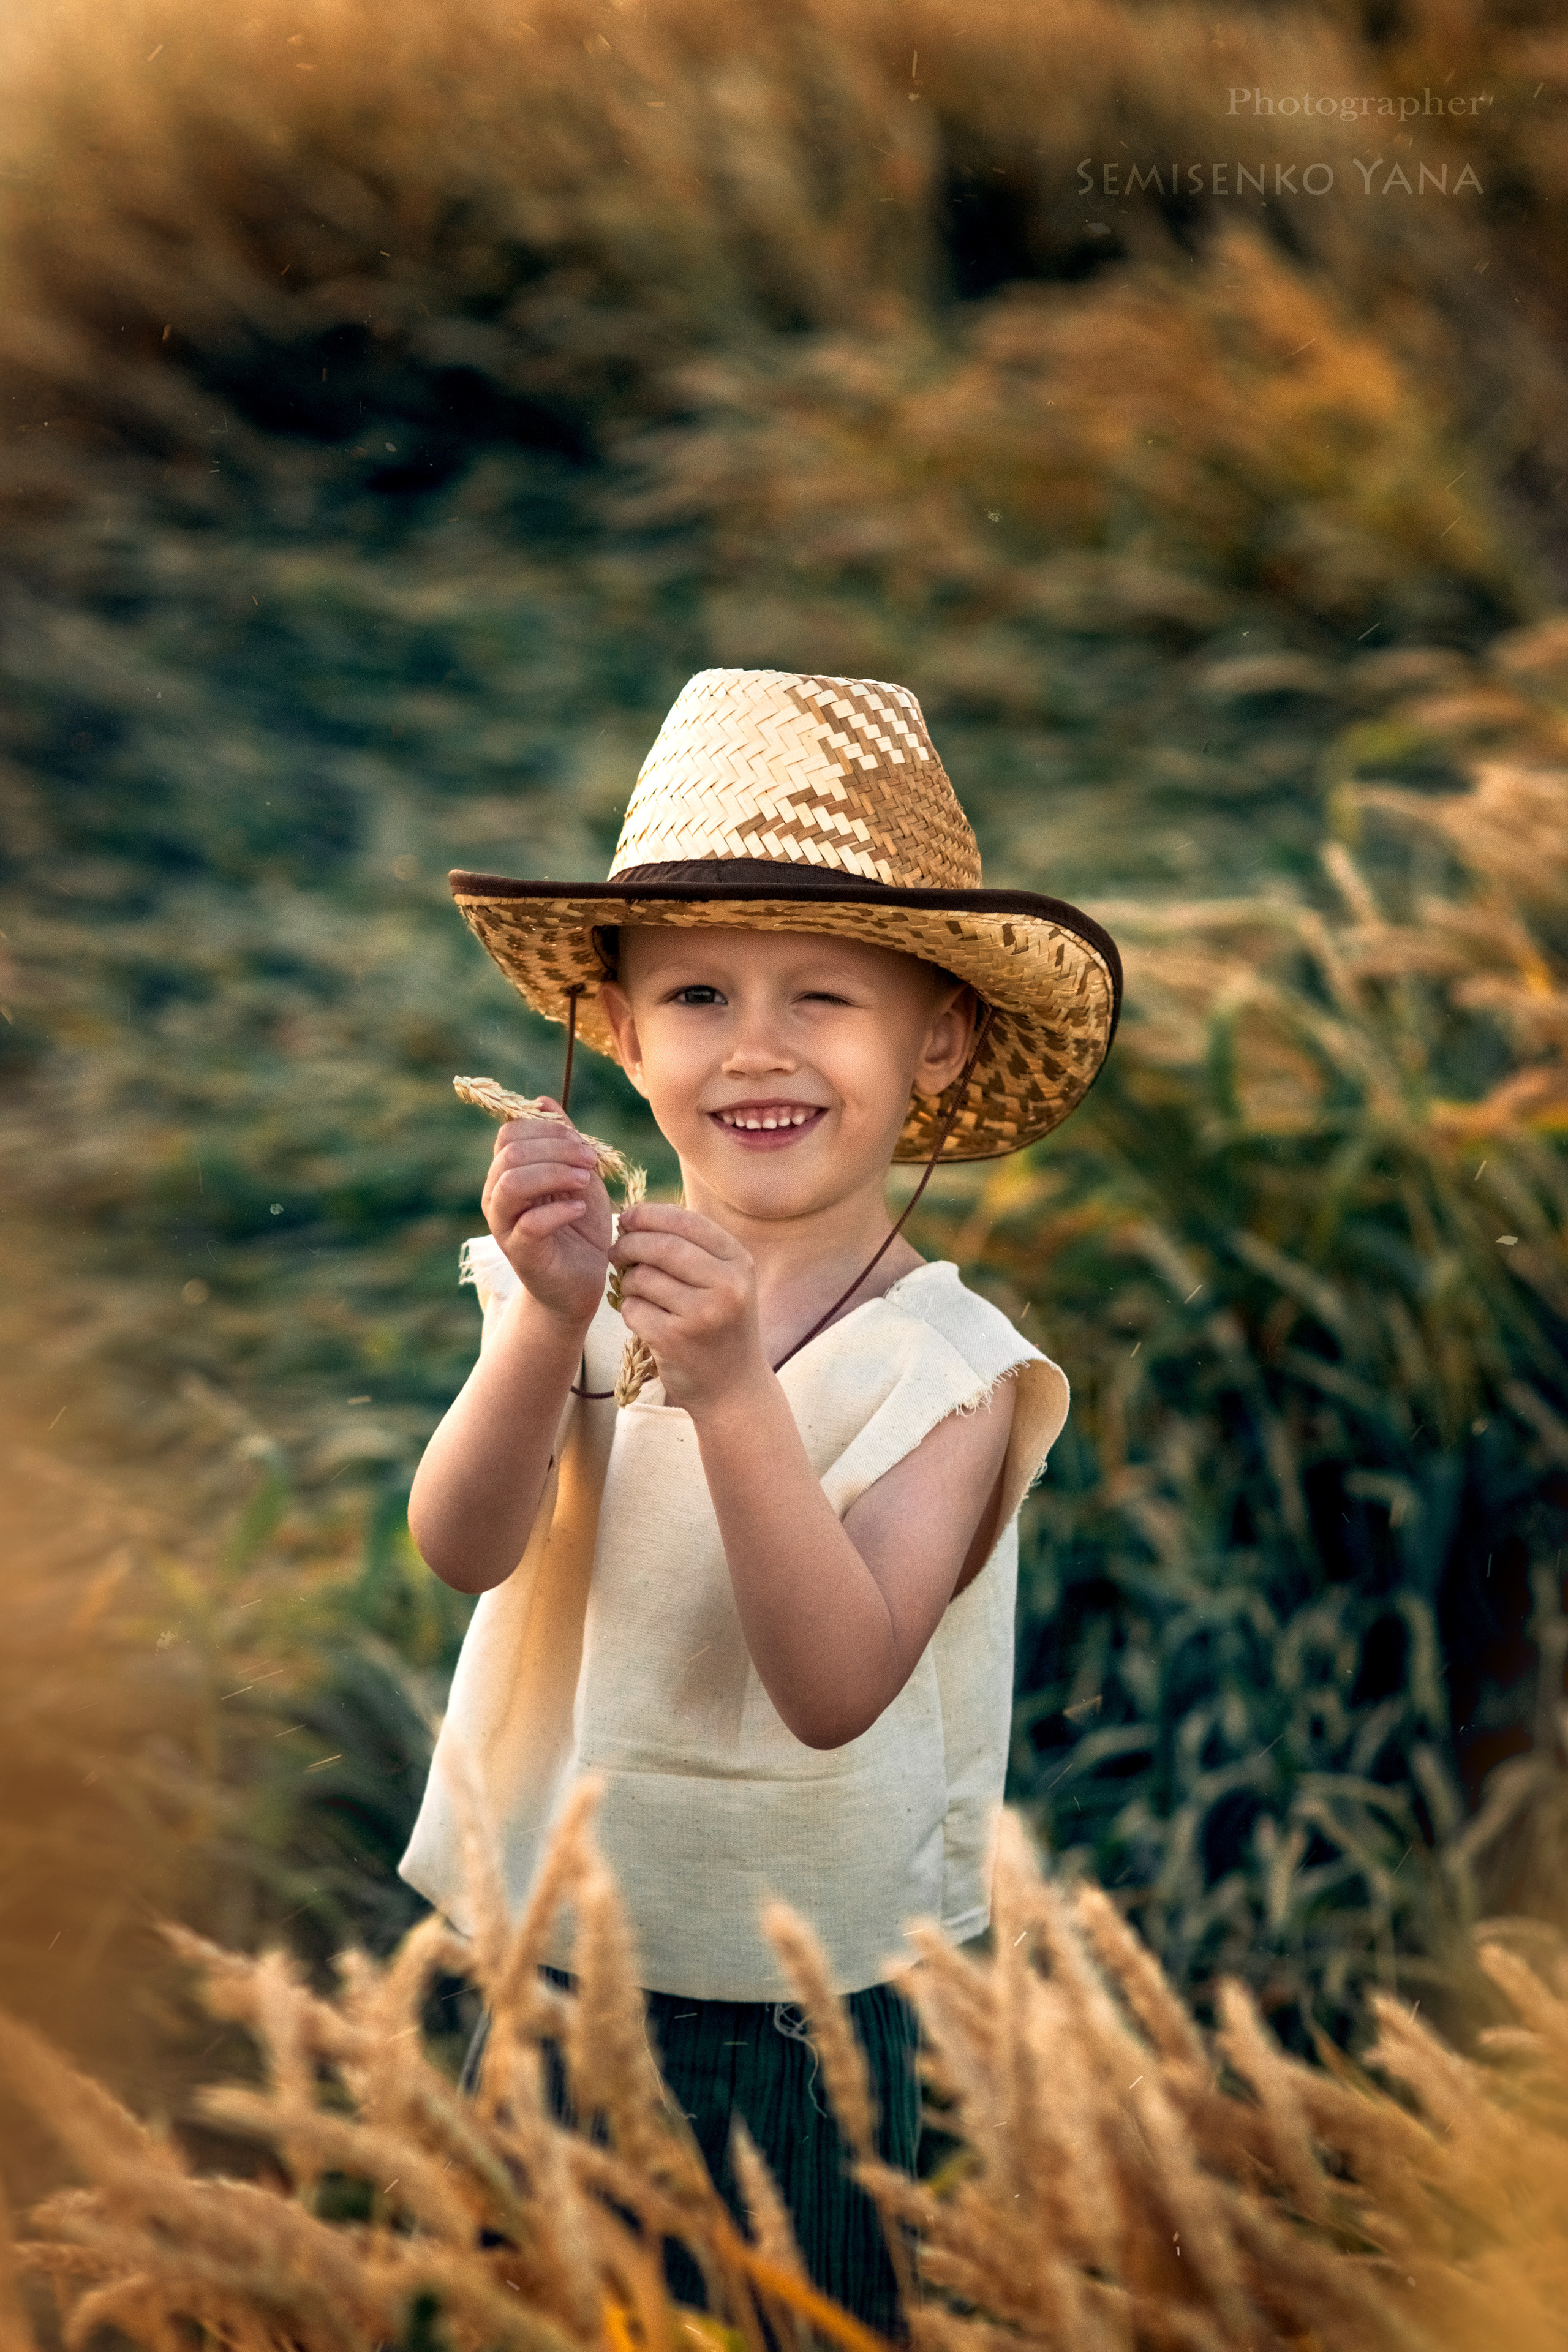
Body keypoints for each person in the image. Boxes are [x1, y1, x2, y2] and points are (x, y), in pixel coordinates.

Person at [399, 668, 1120, 2332]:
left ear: (938, 1039)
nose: (760, 1048)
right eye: (703, 994)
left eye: (827, 999)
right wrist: (549, 1330)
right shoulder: (570, 1286)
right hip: (550, 1947)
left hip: (800, 2008)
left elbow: (834, 1685)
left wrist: (730, 1395)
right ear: (619, 1035)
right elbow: (462, 1549)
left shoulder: (946, 1368)